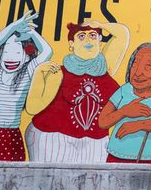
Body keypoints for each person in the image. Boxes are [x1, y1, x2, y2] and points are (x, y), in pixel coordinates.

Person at [25, 19, 129, 162]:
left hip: (95, 142)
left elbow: (122, 34)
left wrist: (99, 25)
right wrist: (38, 73)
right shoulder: (57, 72)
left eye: (92, 35)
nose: (88, 40)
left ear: (99, 41)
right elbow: (32, 108)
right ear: (71, 44)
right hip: (53, 139)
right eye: (81, 36)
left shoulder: (105, 67)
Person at [0, 11, 52, 161]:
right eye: (7, 51)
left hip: (10, 137)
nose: (10, 57)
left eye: (17, 52)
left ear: (28, 56)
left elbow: (47, 51)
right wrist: (14, 26)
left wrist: (31, 34)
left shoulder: (27, 73)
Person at [98, 43, 151, 163]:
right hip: (118, 156)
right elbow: (103, 122)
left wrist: (136, 125)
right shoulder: (123, 91)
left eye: (148, 67)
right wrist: (124, 111)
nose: (138, 72)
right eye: (135, 64)